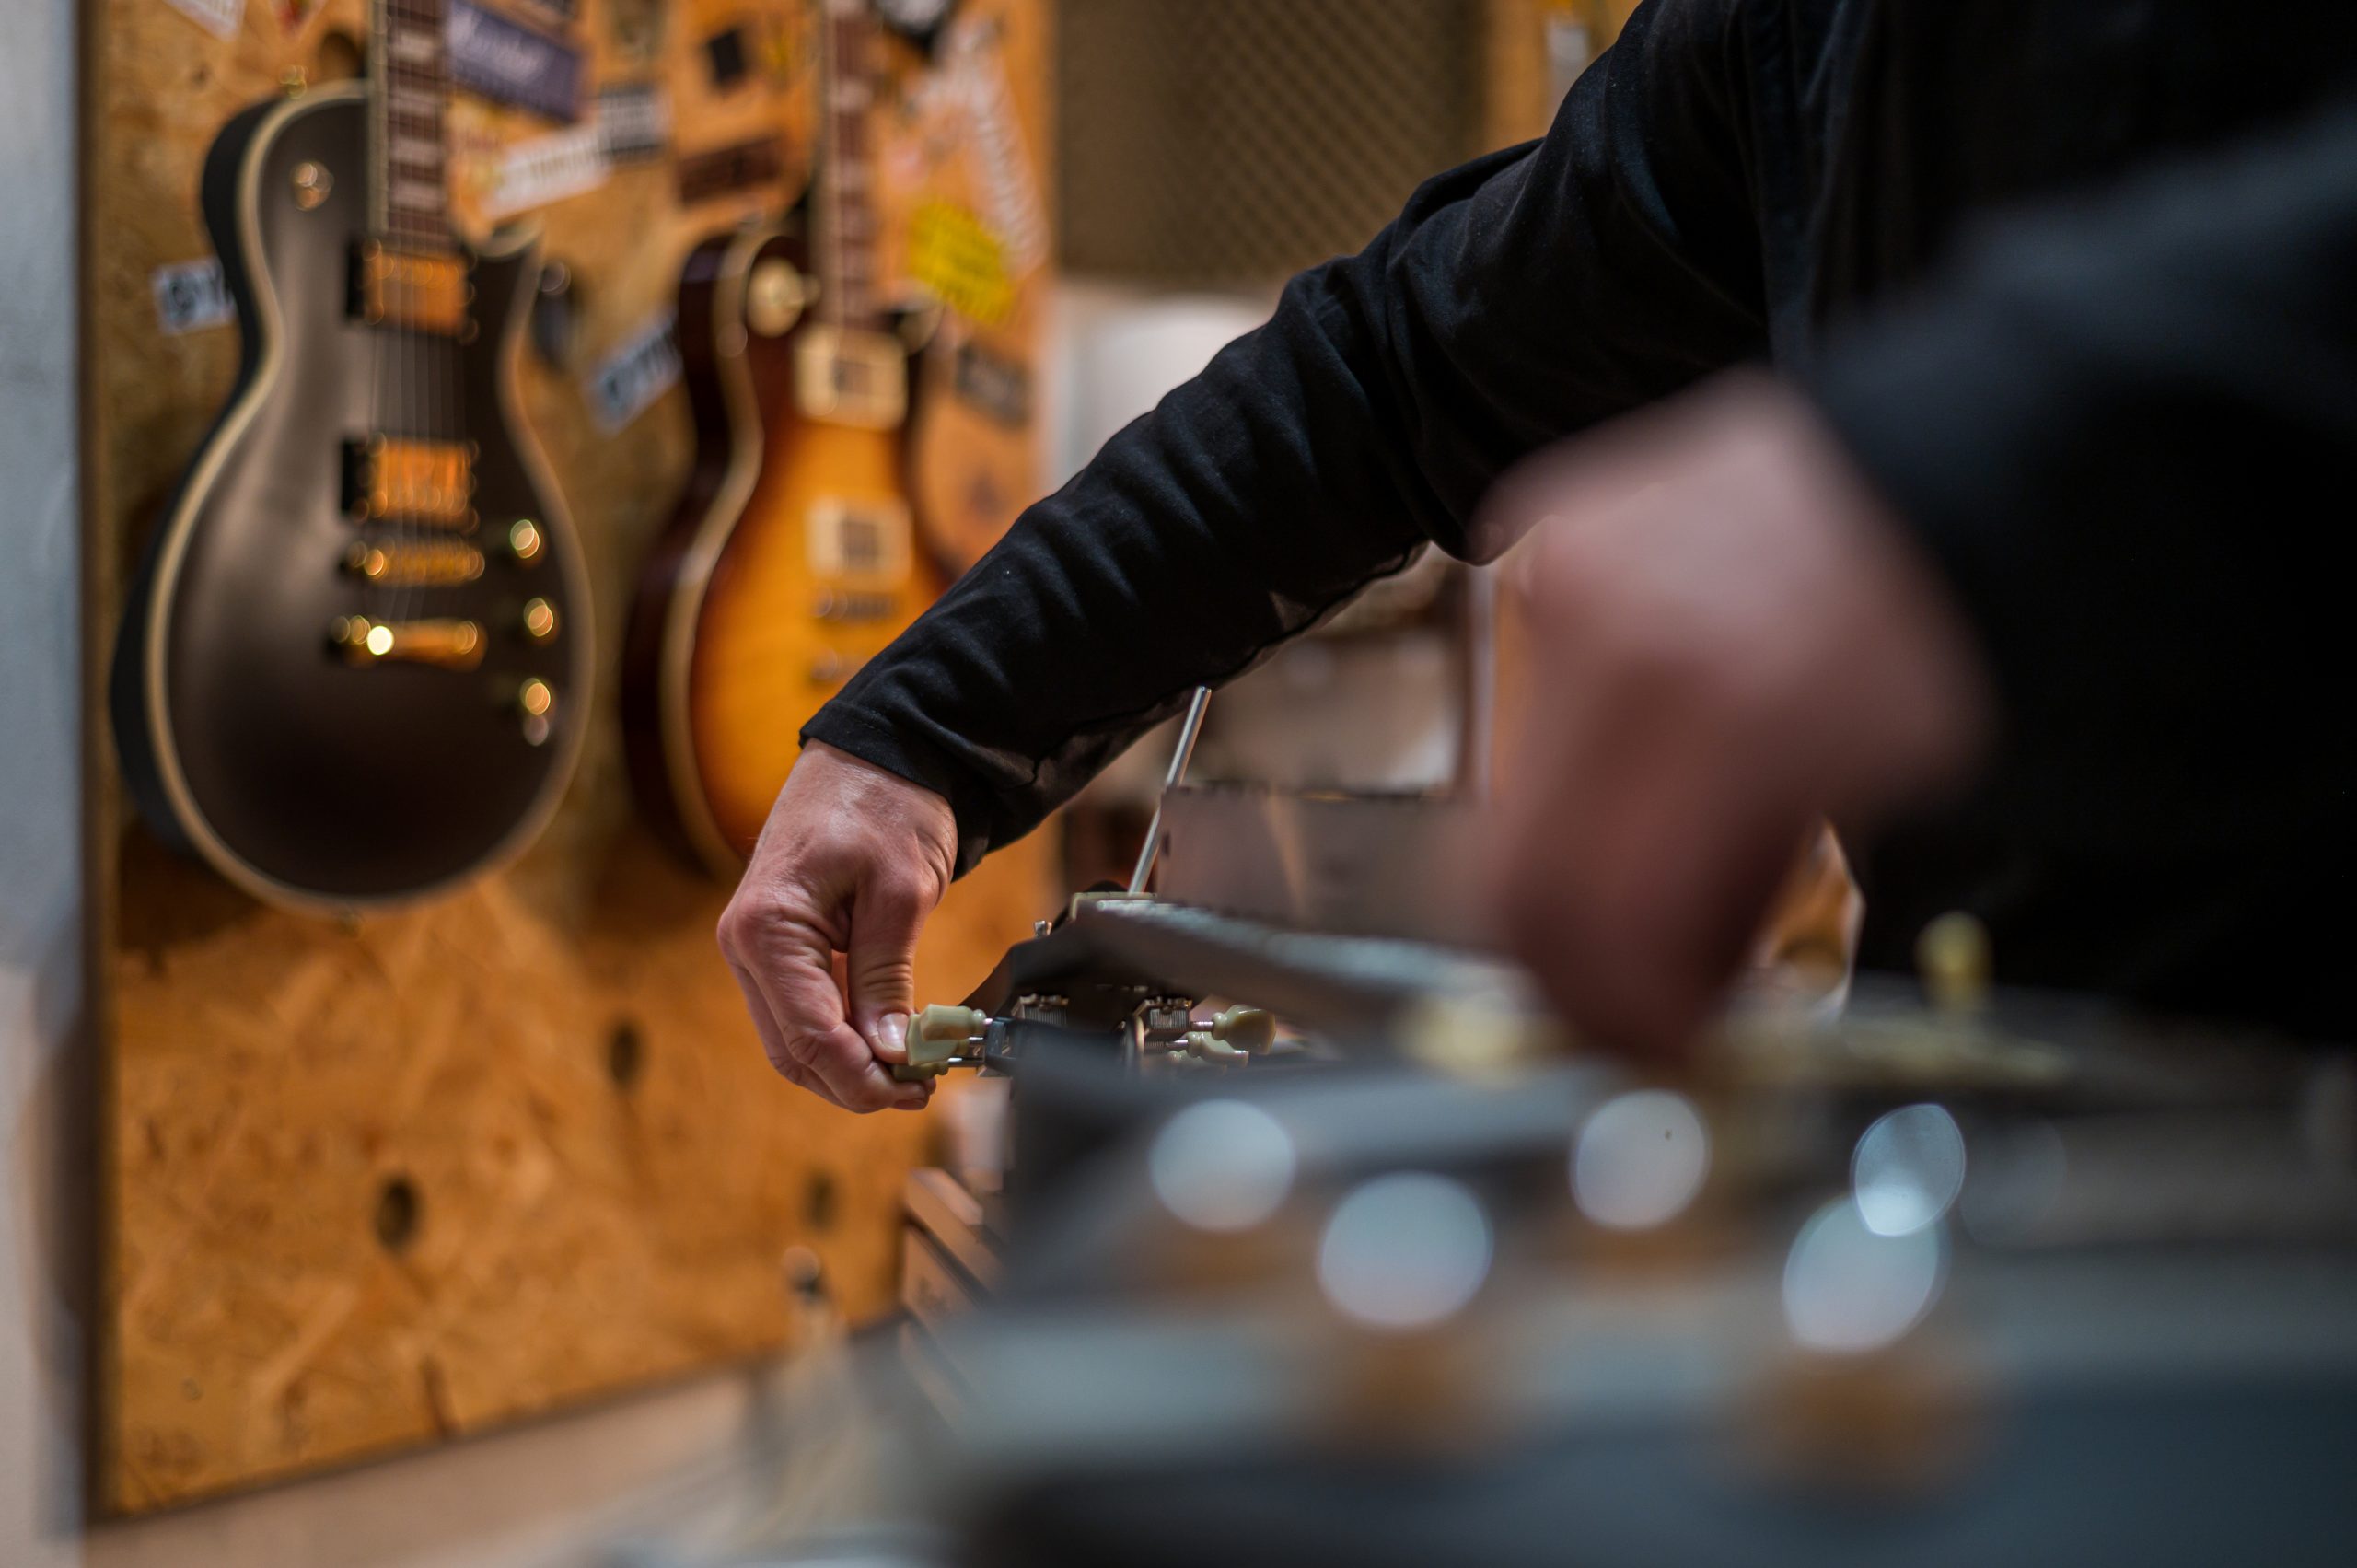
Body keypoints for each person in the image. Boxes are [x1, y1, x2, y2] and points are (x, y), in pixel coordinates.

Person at [719, 0, 2357, 1110]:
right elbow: (1398, 375)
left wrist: (1964, 453)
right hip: (2043, 1167)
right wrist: (922, 734)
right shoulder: (1802, 32)